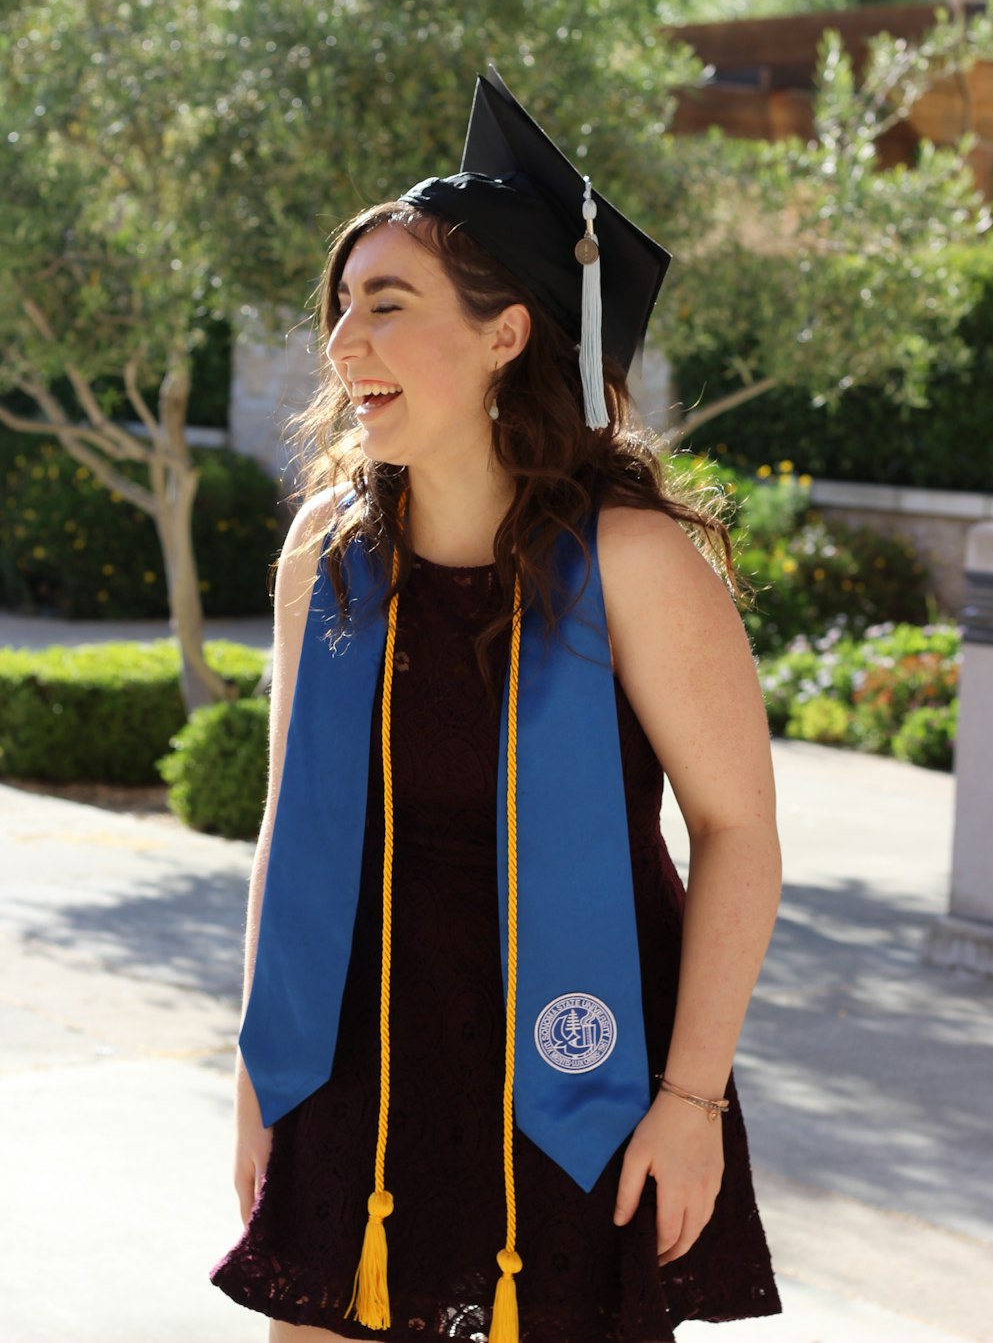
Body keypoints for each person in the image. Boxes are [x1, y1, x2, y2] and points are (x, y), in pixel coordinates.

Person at [211, 69, 783, 1343]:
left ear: (508, 333)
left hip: (580, 1080)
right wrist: (261, 1071)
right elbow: (287, 828)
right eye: (341, 305)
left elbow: (739, 833)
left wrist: (691, 1103)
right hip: (353, 1056)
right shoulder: (331, 552)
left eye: (387, 304)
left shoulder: (631, 563)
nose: (344, 341)